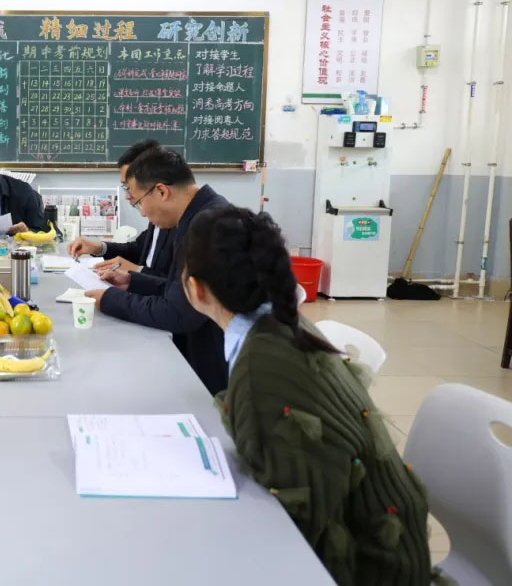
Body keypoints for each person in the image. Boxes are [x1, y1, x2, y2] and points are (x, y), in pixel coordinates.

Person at [180, 206, 431, 585]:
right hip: (386, 543)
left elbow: (293, 530)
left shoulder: (260, 366)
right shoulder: (282, 323)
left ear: (196, 288)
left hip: (368, 569)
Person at [83, 147, 231, 394]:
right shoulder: (198, 215)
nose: (142, 212)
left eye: (139, 202)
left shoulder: (207, 226)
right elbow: (178, 290)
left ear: (162, 191)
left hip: (211, 367)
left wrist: (110, 299)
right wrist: (133, 281)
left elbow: (178, 312)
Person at [68, 139, 172, 278]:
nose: (127, 196)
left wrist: (136, 271)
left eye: (129, 187)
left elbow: (174, 284)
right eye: (125, 187)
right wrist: (99, 248)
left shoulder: (181, 223)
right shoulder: (159, 216)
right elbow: (137, 250)